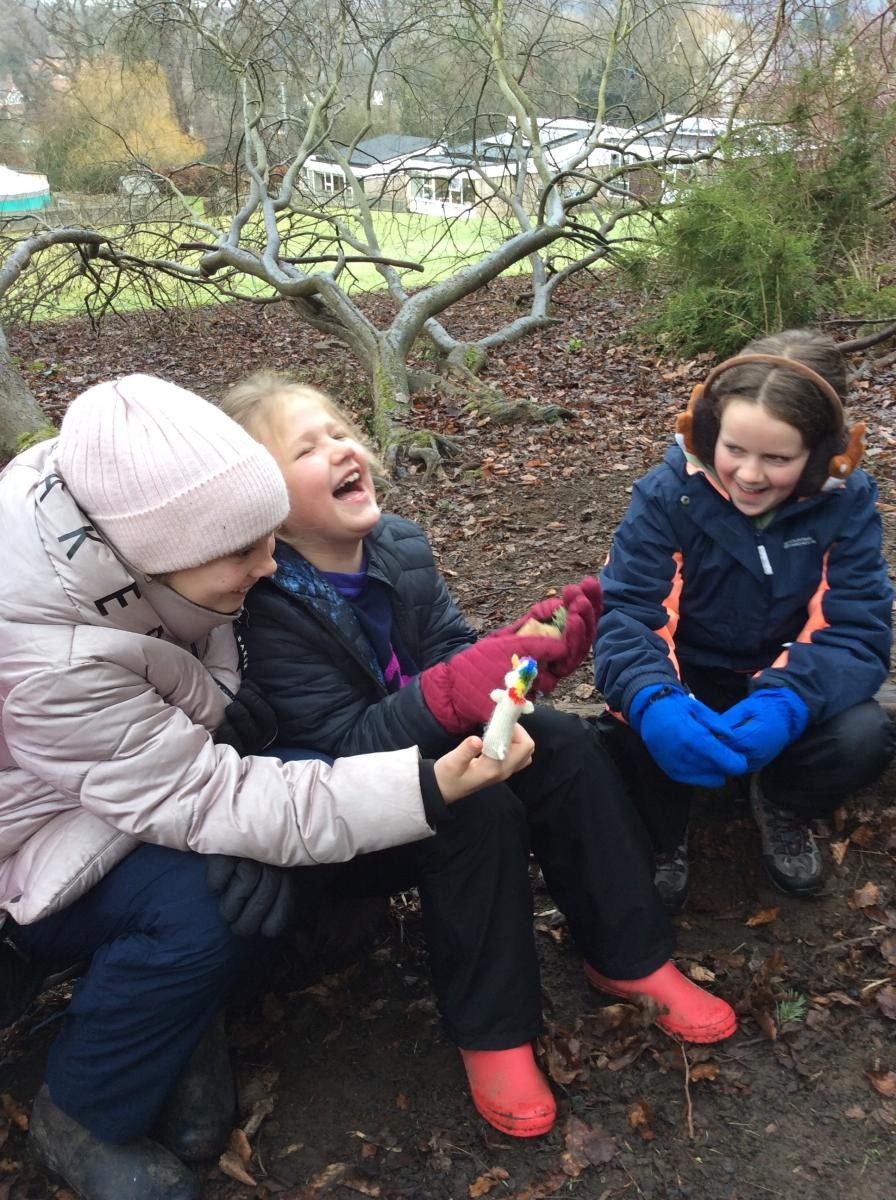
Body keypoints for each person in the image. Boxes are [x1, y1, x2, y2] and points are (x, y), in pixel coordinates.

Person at [0, 374, 538, 1200]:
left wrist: (227, 730)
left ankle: (181, 1023)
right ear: (151, 562)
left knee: (256, 870)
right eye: (244, 552)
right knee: (210, 898)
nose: (271, 564)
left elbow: (175, 751)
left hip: (117, 781)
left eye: (267, 535)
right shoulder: (52, 660)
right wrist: (422, 789)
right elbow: (204, 799)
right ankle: (85, 1112)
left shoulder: (123, 501)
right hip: (35, 842)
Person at [219, 372, 739, 1139]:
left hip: (430, 755)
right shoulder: (267, 605)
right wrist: (457, 691)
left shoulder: (397, 545)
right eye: (307, 448)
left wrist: (524, 667)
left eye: (338, 432)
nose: (338, 449)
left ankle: (628, 953)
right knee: (475, 808)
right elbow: (339, 753)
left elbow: (454, 654)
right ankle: (493, 1030)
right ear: (262, 500)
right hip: (338, 823)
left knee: (559, 741)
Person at [593, 330, 895, 910]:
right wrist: (655, 697)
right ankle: (664, 832)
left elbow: (854, 627)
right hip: (690, 674)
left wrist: (789, 699)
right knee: (627, 724)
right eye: (735, 449)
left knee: (864, 735)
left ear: (823, 455)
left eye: (778, 459)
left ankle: (781, 801)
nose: (750, 475)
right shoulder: (666, 497)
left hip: (787, 679)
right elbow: (629, 613)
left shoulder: (846, 504)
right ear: (707, 433)